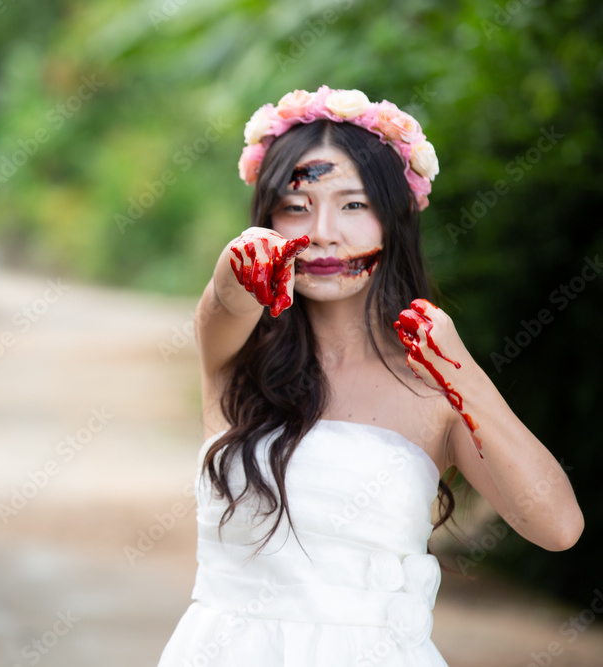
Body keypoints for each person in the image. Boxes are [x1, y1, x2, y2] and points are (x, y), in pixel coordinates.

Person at [156, 86, 584, 666]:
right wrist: (240, 266)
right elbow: (227, 299)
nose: (324, 232)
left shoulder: (436, 389)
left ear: (395, 217)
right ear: (266, 219)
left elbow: (557, 527)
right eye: (296, 205)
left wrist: (463, 374)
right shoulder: (234, 356)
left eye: (354, 205)